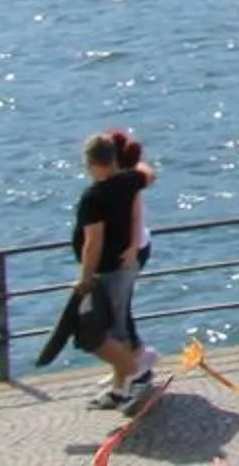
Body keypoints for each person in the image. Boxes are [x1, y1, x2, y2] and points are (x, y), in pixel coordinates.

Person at [68, 130, 155, 409]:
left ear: (91, 163)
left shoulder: (93, 197)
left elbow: (93, 242)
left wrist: (85, 278)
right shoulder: (129, 181)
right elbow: (149, 173)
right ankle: (123, 385)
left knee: (107, 332)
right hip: (124, 265)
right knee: (120, 324)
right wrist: (133, 164)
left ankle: (133, 376)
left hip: (107, 270)